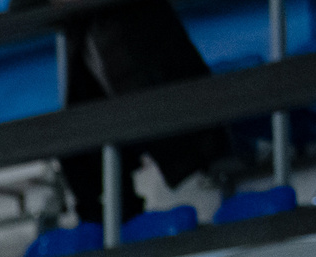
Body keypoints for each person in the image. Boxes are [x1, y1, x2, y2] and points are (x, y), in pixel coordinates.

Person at [12, 0, 232, 224]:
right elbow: (21, 7)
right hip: (110, 115)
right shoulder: (82, 31)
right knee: (75, 145)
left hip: (172, 118)